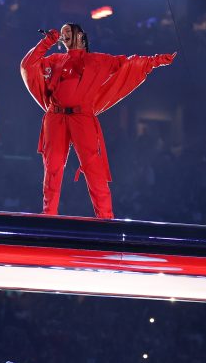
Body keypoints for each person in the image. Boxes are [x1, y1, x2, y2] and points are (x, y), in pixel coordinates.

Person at [20, 24, 176, 218]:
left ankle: (105, 217)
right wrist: (46, 42)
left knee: (93, 166)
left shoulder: (97, 60)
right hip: (55, 116)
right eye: (62, 31)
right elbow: (28, 65)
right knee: (52, 166)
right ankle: (49, 213)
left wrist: (156, 61)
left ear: (81, 36)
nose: (64, 34)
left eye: (69, 31)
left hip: (81, 117)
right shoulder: (55, 60)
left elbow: (127, 63)